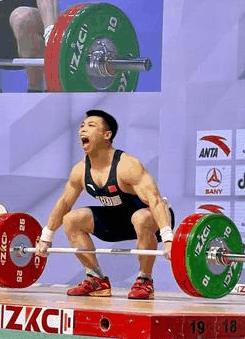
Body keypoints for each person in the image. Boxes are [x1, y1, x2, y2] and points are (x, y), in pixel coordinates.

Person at [37, 110, 174, 300]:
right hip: (116, 221)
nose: (83, 129)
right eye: (82, 126)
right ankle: (96, 280)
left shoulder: (127, 166)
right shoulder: (80, 171)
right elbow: (64, 202)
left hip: (153, 220)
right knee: (71, 220)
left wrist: (168, 239)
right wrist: (46, 236)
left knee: (140, 217)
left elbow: (155, 201)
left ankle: (145, 280)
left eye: (91, 125)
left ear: (107, 135)